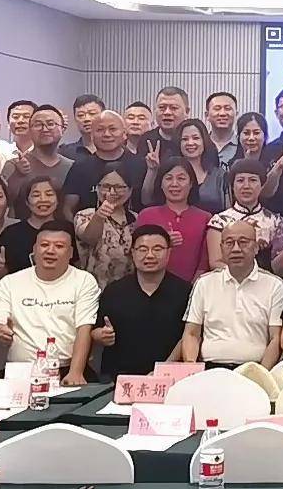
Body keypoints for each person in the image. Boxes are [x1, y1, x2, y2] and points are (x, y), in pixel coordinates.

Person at [0, 223, 98, 385]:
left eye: (59, 246)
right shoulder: (9, 282)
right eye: (44, 245)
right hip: (21, 371)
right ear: (34, 249)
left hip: (65, 368)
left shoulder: (83, 281)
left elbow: (84, 329)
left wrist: (76, 372)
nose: (50, 251)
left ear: (71, 253)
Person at [177, 220, 283, 368]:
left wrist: (261, 374)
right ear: (221, 248)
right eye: (229, 243)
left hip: (254, 368)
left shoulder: (274, 285)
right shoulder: (204, 283)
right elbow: (191, 333)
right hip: (210, 368)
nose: (236, 249)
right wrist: (192, 367)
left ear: (256, 247)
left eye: (243, 242)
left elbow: (275, 338)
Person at [95, 225, 194, 378]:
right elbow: (95, 330)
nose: (150, 255)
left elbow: (191, 335)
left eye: (157, 249)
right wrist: (101, 336)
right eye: (142, 249)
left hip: (172, 376)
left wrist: (163, 370)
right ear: (132, 253)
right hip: (120, 377)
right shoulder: (114, 291)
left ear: (169, 252)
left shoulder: (186, 291)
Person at [134, 159, 213, 283]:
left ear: (191, 183)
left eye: (181, 178)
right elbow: (136, 254)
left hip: (193, 287)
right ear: (160, 183)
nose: (174, 184)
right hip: (151, 285)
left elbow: (204, 263)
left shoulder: (205, 218)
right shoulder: (146, 216)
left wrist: (193, 288)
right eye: (168, 178)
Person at [64, 110, 147, 218]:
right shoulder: (80, 167)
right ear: (92, 135)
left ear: (124, 134)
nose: (107, 134)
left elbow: (147, 201)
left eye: (113, 129)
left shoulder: (140, 164)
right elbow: (68, 209)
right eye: (100, 130)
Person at [205, 158, 280, 271]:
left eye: (253, 180)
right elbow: (216, 262)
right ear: (232, 186)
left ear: (262, 185)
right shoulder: (219, 221)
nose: (246, 186)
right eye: (240, 180)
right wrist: (246, 274)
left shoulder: (276, 221)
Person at [73, 167, 136, 288]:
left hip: (128, 287)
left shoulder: (136, 219)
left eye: (119, 187)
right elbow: (89, 238)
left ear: (130, 190)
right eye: (106, 186)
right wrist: (99, 216)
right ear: (97, 188)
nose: (112, 192)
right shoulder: (84, 215)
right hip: (94, 287)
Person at [143, 118, 224, 211]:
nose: (190, 143)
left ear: (204, 141)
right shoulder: (168, 171)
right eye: (185, 139)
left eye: (196, 138)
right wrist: (152, 170)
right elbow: (146, 200)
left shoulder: (219, 176)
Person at [4, 104, 74, 204]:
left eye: (50, 124)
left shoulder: (72, 166)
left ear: (62, 129)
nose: (44, 129)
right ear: (30, 130)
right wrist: (17, 175)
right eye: (37, 125)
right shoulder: (14, 165)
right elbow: (4, 201)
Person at [0, 176, 63, 275]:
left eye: (49, 194)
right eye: (36, 195)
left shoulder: (68, 231)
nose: (43, 199)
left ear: (58, 200)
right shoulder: (10, 234)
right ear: (27, 201)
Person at [141, 86, 191, 159]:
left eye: (174, 108)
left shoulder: (194, 141)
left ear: (186, 111)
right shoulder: (146, 140)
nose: (167, 112)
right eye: (162, 107)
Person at [202, 91, 242, 176]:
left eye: (228, 108)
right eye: (217, 109)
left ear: (236, 114)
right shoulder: (200, 145)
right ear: (207, 115)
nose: (222, 113)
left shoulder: (243, 145)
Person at [59, 94, 105, 161]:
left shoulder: (115, 150)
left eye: (92, 113)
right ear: (75, 119)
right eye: (81, 115)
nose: (86, 119)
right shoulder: (66, 153)